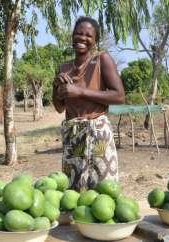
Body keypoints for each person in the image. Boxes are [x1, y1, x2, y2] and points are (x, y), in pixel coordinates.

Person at [52, 16, 125, 192]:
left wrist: (80, 91)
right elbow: (59, 107)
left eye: (88, 35)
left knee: (103, 190)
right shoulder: (64, 68)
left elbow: (119, 96)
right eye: (78, 33)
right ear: (72, 36)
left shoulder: (102, 60)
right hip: (73, 136)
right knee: (73, 192)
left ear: (95, 40)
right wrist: (56, 88)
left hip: (98, 132)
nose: (82, 38)